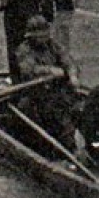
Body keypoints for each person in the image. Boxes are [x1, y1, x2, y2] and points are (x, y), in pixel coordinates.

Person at [10, 15, 77, 148]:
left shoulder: (53, 45)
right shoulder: (24, 49)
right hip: (33, 95)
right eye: (39, 36)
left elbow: (68, 61)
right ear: (31, 36)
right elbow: (28, 69)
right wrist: (50, 70)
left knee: (69, 110)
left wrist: (72, 75)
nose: (43, 39)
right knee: (31, 122)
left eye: (45, 35)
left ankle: (69, 144)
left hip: (54, 92)